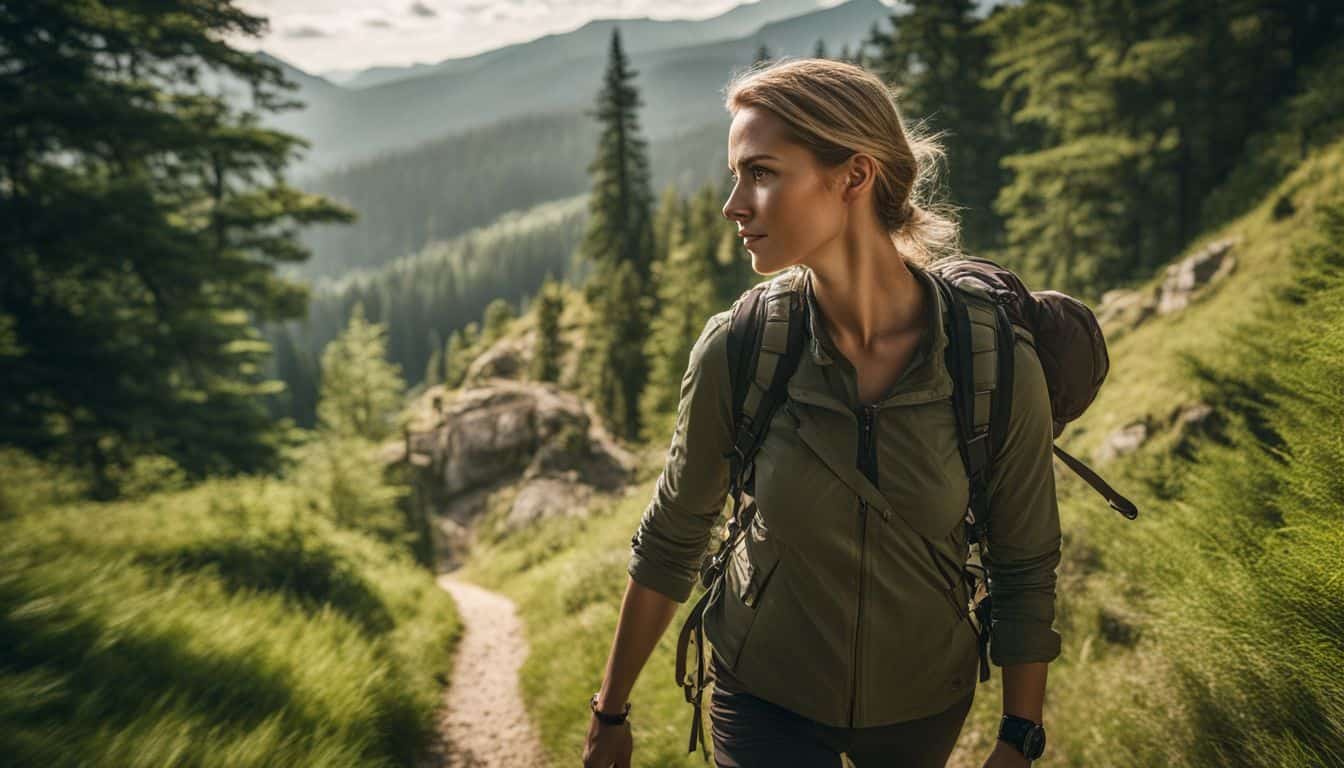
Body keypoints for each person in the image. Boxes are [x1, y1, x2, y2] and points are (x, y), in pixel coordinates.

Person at [582, 58, 1061, 768]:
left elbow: (1024, 564)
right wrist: (610, 714)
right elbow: (672, 536)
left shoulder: (987, 358)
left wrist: (1018, 739)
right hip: (763, 693)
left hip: (922, 705)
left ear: (854, 176)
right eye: (737, 175)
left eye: (763, 172)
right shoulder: (742, 348)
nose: (734, 204)